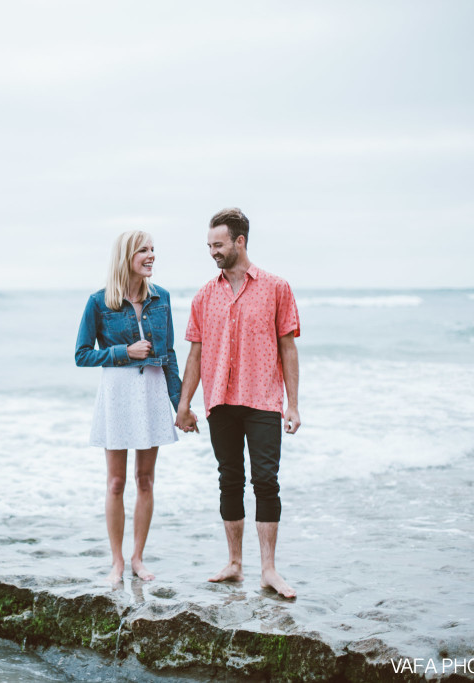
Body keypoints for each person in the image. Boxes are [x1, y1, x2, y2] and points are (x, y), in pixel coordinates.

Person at [175, 208, 301, 599]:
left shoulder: (276, 287)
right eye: (209, 245)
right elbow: (195, 354)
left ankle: (268, 570)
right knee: (229, 479)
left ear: (239, 242)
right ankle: (234, 563)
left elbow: (288, 347)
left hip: (263, 398)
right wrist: (184, 404)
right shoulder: (204, 295)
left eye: (218, 244)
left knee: (266, 481)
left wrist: (292, 405)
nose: (212, 251)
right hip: (220, 400)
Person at [75, 230, 182, 584]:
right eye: (143, 250)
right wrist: (124, 352)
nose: (151, 256)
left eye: (153, 249)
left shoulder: (162, 298)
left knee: (146, 480)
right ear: (126, 257)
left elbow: (169, 358)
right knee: (117, 482)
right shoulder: (99, 301)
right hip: (118, 393)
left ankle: (138, 558)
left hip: (150, 391)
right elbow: (82, 355)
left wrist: (180, 404)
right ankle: (117, 562)